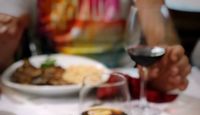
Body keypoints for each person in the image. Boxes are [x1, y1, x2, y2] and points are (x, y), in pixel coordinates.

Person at [0, 0, 191, 92]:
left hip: (119, 85)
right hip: (43, 92)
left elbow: (160, 34)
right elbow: (8, 35)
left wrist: (165, 65)